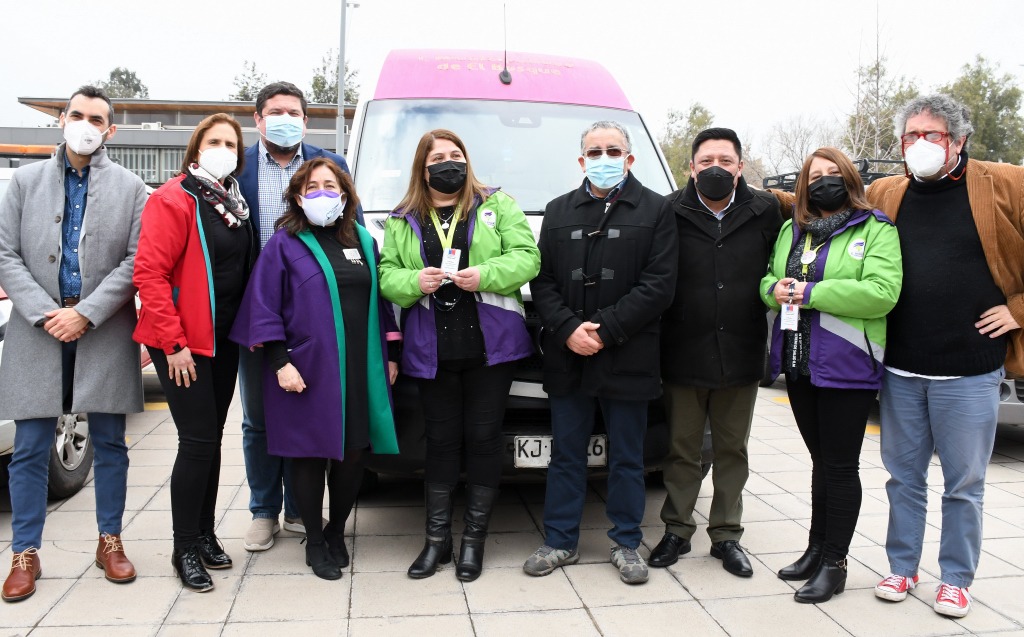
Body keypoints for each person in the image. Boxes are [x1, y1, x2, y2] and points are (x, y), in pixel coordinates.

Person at [866, 94, 1024, 618]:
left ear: (957, 140)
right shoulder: (888, 191)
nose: (919, 145)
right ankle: (902, 565)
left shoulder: (1002, 183)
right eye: (911, 136)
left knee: (964, 482)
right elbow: (828, 207)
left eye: (931, 135)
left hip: (970, 370)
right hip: (902, 368)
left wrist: (1019, 308)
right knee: (903, 477)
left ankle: (956, 578)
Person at [0, 86, 146, 603]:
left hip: (102, 328)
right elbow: (4, 253)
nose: (86, 124)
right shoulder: (24, 181)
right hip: (36, 329)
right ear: (61, 119)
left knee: (109, 443)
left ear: (111, 129)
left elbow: (135, 261)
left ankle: (110, 540)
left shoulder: (131, 188)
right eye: (77, 115)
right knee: (32, 447)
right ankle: (25, 552)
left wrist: (85, 313)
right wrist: (47, 314)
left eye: (97, 118)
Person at [379, 129, 539, 582]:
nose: (450, 163)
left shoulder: (496, 205)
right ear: (422, 168)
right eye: (439, 158)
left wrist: (485, 273)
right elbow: (387, 274)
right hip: (432, 349)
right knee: (441, 442)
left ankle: (473, 541)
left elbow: (528, 258)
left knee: (485, 440)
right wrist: (415, 283)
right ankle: (436, 542)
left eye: (456, 155)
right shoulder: (402, 217)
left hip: (491, 348)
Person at [231, 158, 400, 580]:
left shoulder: (363, 240)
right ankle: (314, 538)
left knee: (353, 453)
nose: (322, 193)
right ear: (298, 196)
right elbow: (263, 306)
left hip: (360, 365)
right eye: (312, 187)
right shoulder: (284, 243)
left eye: (330, 185)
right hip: (305, 368)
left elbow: (380, 300)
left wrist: (392, 353)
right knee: (308, 455)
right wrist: (279, 362)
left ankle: (337, 530)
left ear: (344, 196)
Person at [524, 120, 677, 585]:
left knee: (627, 457)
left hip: (627, 354)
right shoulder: (558, 210)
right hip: (568, 353)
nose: (604, 158)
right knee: (566, 454)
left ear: (630, 159)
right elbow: (542, 279)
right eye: (595, 151)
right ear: (581, 159)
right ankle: (559, 540)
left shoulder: (656, 209)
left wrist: (606, 330)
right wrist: (569, 329)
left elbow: (659, 285)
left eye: (614, 150)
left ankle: (627, 542)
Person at [761, 147, 902, 603]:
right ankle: (815, 549)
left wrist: (811, 292)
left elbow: (882, 293)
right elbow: (769, 279)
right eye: (814, 175)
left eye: (832, 173)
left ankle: (836, 563)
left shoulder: (876, 228)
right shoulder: (791, 229)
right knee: (820, 461)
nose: (823, 181)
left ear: (849, 179)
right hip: (799, 363)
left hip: (847, 363)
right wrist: (774, 289)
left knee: (840, 466)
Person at [649, 128, 782, 578]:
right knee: (682, 449)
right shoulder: (669, 209)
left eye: (725, 161)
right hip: (683, 351)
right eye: (706, 161)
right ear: (691, 167)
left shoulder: (765, 210)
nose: (715, 169)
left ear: (740, 167)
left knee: (732, 451)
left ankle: (726, 536)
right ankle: (676, 530)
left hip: (741, 350)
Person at [236, 81, 363, 552]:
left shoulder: (329, 167)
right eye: (275, 111)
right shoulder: (241, 166)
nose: (284, 118)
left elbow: (354, 229)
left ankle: (299, 511)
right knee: (260, 419)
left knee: (307, 413)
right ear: (259, 118)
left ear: (306, 120)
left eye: (293, 111)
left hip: (315, 307)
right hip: (260, 310)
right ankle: (264, 510)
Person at [133, 113, 255, 592]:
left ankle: (204, 534)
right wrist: (174, 344)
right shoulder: (174, 199)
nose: (224, 148)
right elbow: (150, 276)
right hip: (183, 343)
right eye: (215, 141)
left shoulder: (232, 203)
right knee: (197, 440)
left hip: (222, 339)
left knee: (211, 438)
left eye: (231, 143)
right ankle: (183, 546)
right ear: (196, 149)